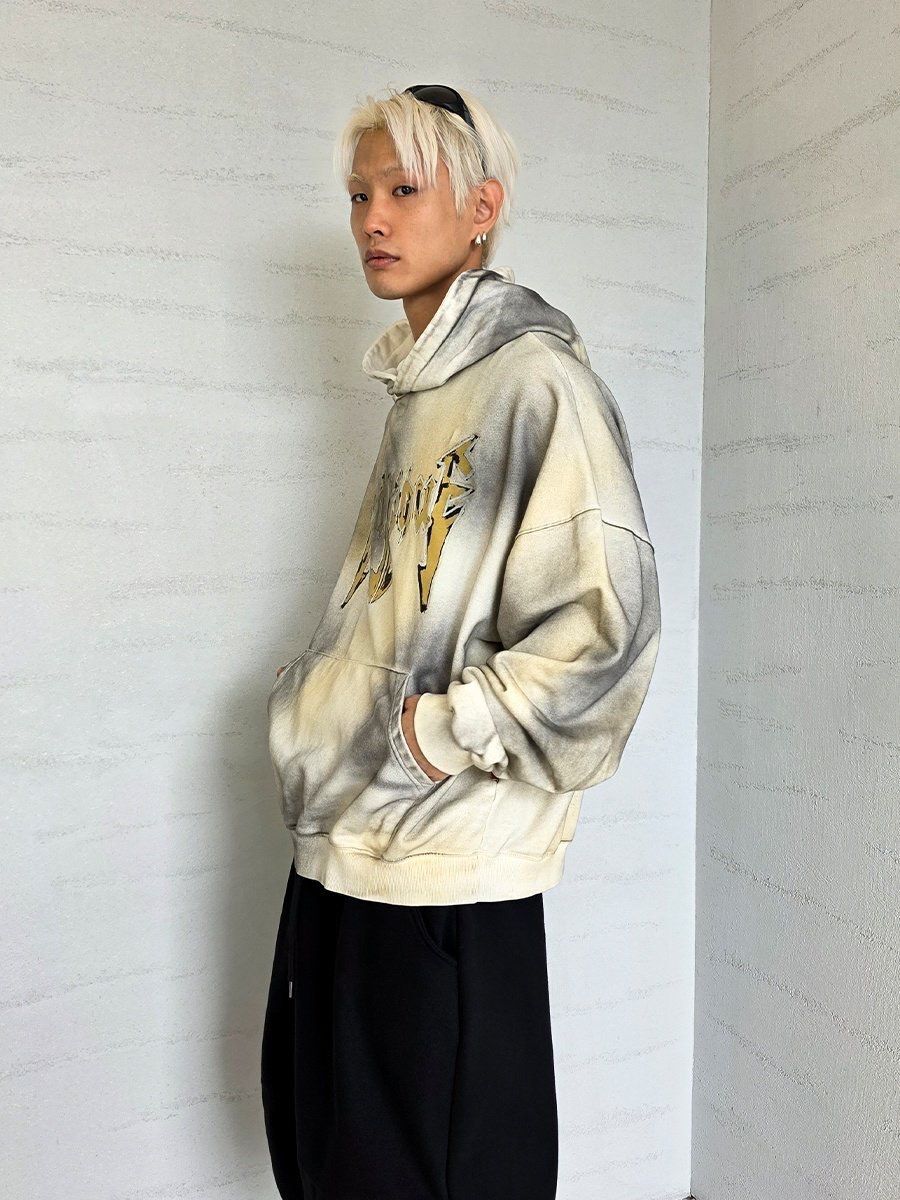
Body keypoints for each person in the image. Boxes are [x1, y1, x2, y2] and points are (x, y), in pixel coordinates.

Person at [260, 83, 661, 1200]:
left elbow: (606, 633)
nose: (372, 219)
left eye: (402, 189)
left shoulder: (538, 385)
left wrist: (436, 737)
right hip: (350, 844)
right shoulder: (421, 387)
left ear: (481, 209)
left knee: (448, 1174)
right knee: (328, 1160)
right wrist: (322, 706)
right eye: (358, 195)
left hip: (447, 873)